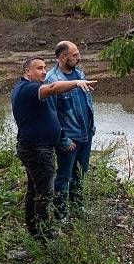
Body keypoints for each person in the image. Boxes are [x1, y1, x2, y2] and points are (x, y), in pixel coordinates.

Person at [11, 56, 95, 241]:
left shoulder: (23, 88)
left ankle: (35, 230)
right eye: (39, 68)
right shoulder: (30, 89)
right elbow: (52, 88)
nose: (43, 72)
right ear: (27, 72)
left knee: (35, 190)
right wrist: (76, 83)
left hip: (35, 147)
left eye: (44, 68)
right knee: (44, 193)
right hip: (37, 150)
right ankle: (44, 236)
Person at [45, 41, 96, 221]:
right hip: (69, 138)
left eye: (78, 54)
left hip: (85, 135)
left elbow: (88, 103)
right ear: (63, 57)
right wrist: (63, 139)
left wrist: (91, 128)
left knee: (80, 175)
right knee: (64, 177)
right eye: (74, 55)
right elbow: (51, 115)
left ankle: (77, 208)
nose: (79, 57)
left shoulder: (79, 74)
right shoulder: (52, 80)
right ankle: (61, 214)